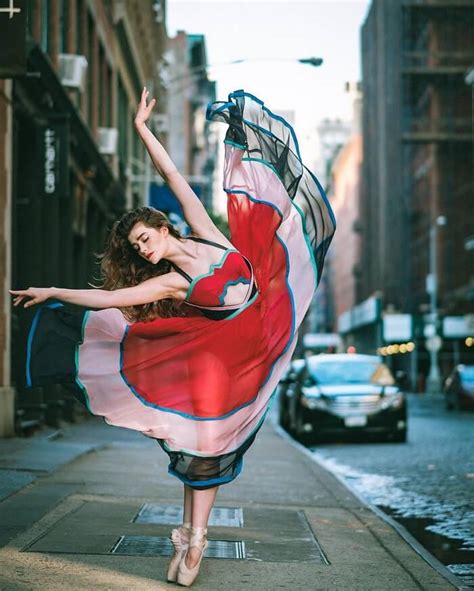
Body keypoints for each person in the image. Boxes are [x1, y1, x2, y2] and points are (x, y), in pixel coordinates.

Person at [10, 88, 336, 586]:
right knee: (203, 451)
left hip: (262, 335)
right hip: (218, 367)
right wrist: (52, 289)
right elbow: (109, 301)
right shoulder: (171, 282)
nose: (143, 249)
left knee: (207, 449)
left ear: (163, 227)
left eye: (145, 238)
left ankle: (191, 538)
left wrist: (142, 128)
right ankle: (193, 540)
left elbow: (171, 176)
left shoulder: (207, 233)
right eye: (137, 247)